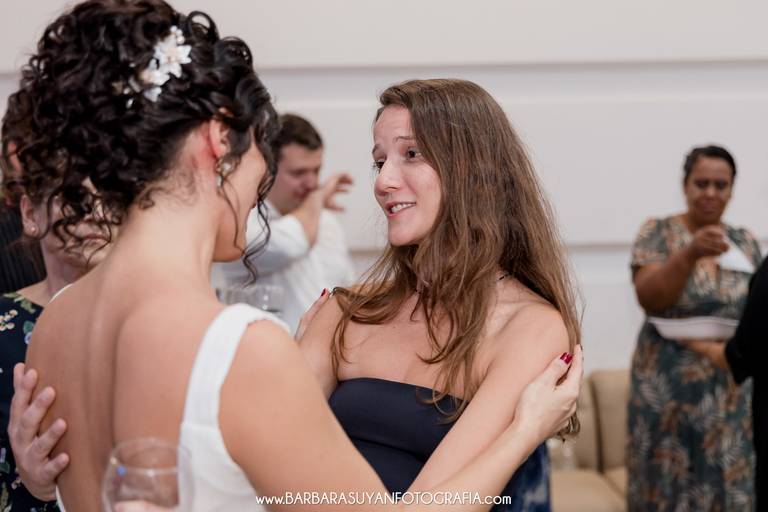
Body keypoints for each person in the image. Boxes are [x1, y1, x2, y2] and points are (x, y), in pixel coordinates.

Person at [7, 1, 581, 510]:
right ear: (218, 140)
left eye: (411, 155)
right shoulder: (243, 350)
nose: (383, 181)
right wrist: (521, 432)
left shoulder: (58, 322)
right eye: (263, 148)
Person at [299, 79, 581, 511]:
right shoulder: (345, 311)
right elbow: (266, 465)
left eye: (411, 154)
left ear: (474, 170)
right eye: (380, 161)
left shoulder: (529, 328)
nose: (383, 181)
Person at [627, 144, 760, 510]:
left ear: (732, 190)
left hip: (728, 386)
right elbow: (649, 297)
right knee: (667, 482)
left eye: (721, 185)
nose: (711, 193)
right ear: (685, 186)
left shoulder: (745, 241)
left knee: (726, 481)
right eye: (701, 183)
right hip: (667, 384)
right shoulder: (658, 232)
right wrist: (689, 253)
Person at [0, 123, 109, 509]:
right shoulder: (3, 325)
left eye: (112, 194)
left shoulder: (152, 322)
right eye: (76, 196)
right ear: (31, 213)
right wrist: (32, 478)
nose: (96, 212)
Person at [212, 113, 355, 330]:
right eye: (299, 173)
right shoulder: (241, 223)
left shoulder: (327, 222)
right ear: (268, 169)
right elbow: (292, 243)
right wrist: (318, 198)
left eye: (316, 170)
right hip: (266, 349)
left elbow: (348, 291)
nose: (312, 183)